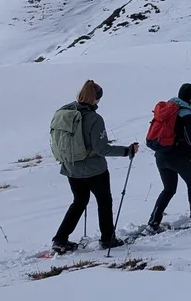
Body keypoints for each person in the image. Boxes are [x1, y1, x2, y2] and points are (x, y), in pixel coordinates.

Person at [49, 79, 138, 254]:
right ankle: (107, 238)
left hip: (71, 167)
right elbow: (102, 148)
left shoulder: (65, 111)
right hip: (94, 170)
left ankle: (60, 239)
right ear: (96, 98)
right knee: (104, 202)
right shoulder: (94, 119)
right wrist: (127, 151)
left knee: (79, 202)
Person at [146, 83, 191, 231]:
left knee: (168, 189)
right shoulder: (186, 115)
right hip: (181, 158)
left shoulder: (166, 109)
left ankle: (153, 222)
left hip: (161, 156)